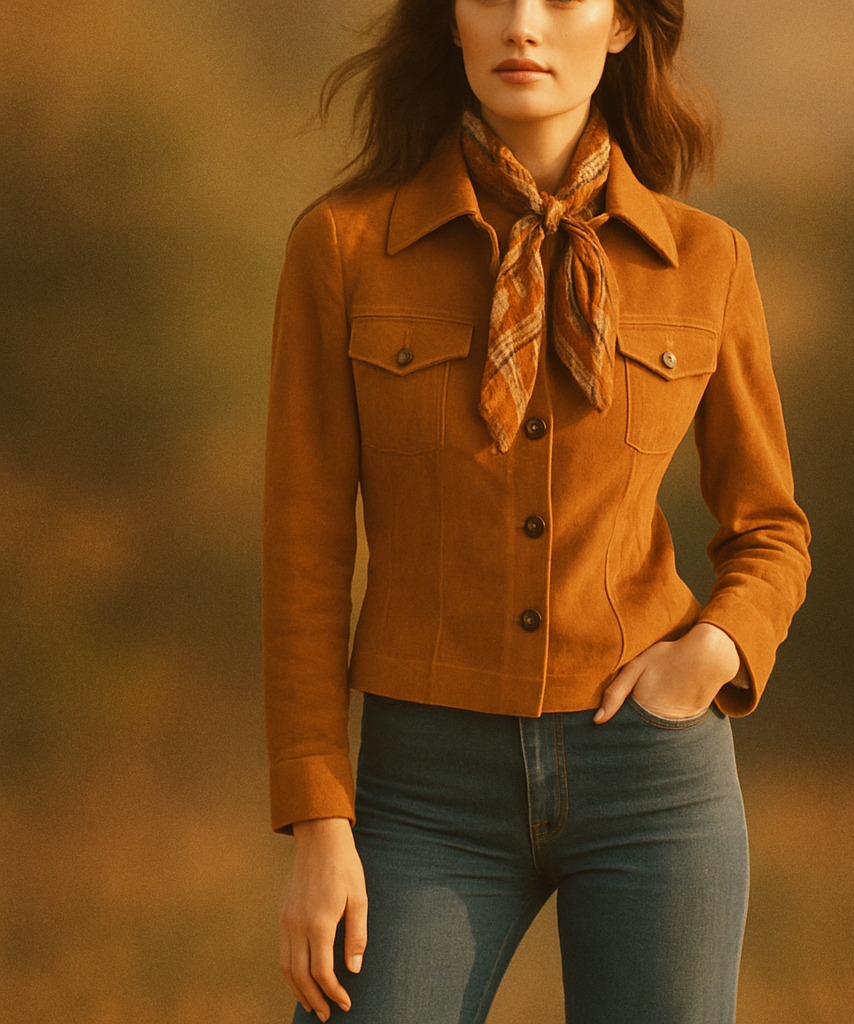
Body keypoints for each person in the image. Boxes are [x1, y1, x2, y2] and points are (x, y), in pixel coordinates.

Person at [262, 1, 811, 1021]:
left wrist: (717, 650)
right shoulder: (341, 249)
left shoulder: (707, 260)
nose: (523, 24)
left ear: (619, 27)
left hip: (654, 776)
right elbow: (304, 553)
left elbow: (770, 526)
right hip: (420, 790)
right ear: (450, 23)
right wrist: (317, 822)